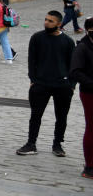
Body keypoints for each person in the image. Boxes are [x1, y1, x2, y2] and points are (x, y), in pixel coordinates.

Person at [16, 10, 76, 157]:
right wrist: (33, 80)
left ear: (59, 24)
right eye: (46, 20)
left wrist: (71, 85)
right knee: (35, 116)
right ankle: (31, 143)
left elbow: (73, 65)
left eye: (50, 21)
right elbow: (32, 61)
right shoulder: (37, 38)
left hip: (62, 86)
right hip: (40, 84)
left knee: (61, 117)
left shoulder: (68, 42)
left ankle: (57, 144)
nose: (46, 23)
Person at [70, 16, 93, 178]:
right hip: (89, 92)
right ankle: (90, 166)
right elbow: (75, 72)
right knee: (91, 128)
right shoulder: (82, 47)